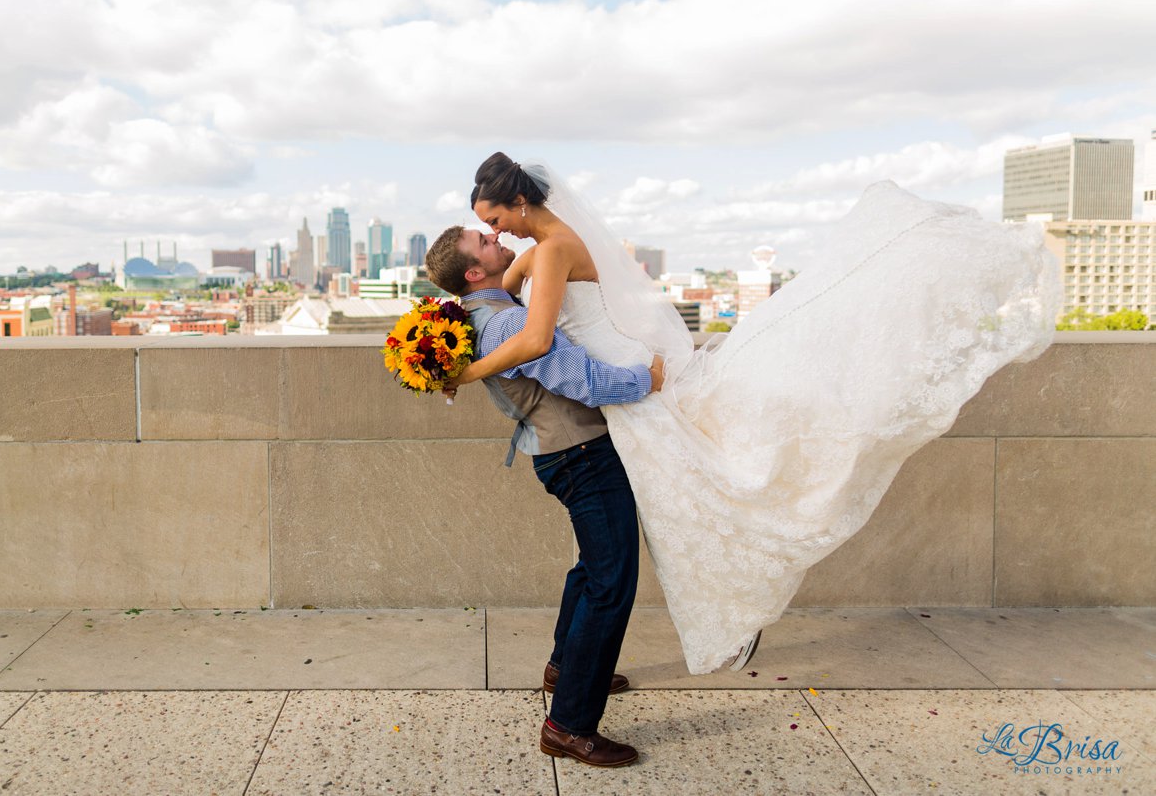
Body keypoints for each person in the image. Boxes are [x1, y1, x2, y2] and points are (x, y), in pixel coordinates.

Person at [448, 151, 1062, 674]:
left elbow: (532, 342)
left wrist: (459, 371)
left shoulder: (550, 253)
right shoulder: (538, 254)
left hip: (631, 386)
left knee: (689, 505)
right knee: (655, 524)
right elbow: (500, 301)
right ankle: (589, 662)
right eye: (485, 231)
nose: (497, 233)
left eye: (494, 219)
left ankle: (725, 608)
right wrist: (445, 328)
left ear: (520, 204)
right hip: (622, 388)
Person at [424, 225, 667, 768]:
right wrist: (647, 380)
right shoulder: (509, 320)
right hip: (581, 454)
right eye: (483, 243)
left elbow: (527, 263)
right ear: (473, 273)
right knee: (612, 583)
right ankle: (569, 724)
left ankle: (564, 667)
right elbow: (581, 379)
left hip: (559, 453)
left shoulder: (481, 313)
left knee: (592, 567)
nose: (493, 237)